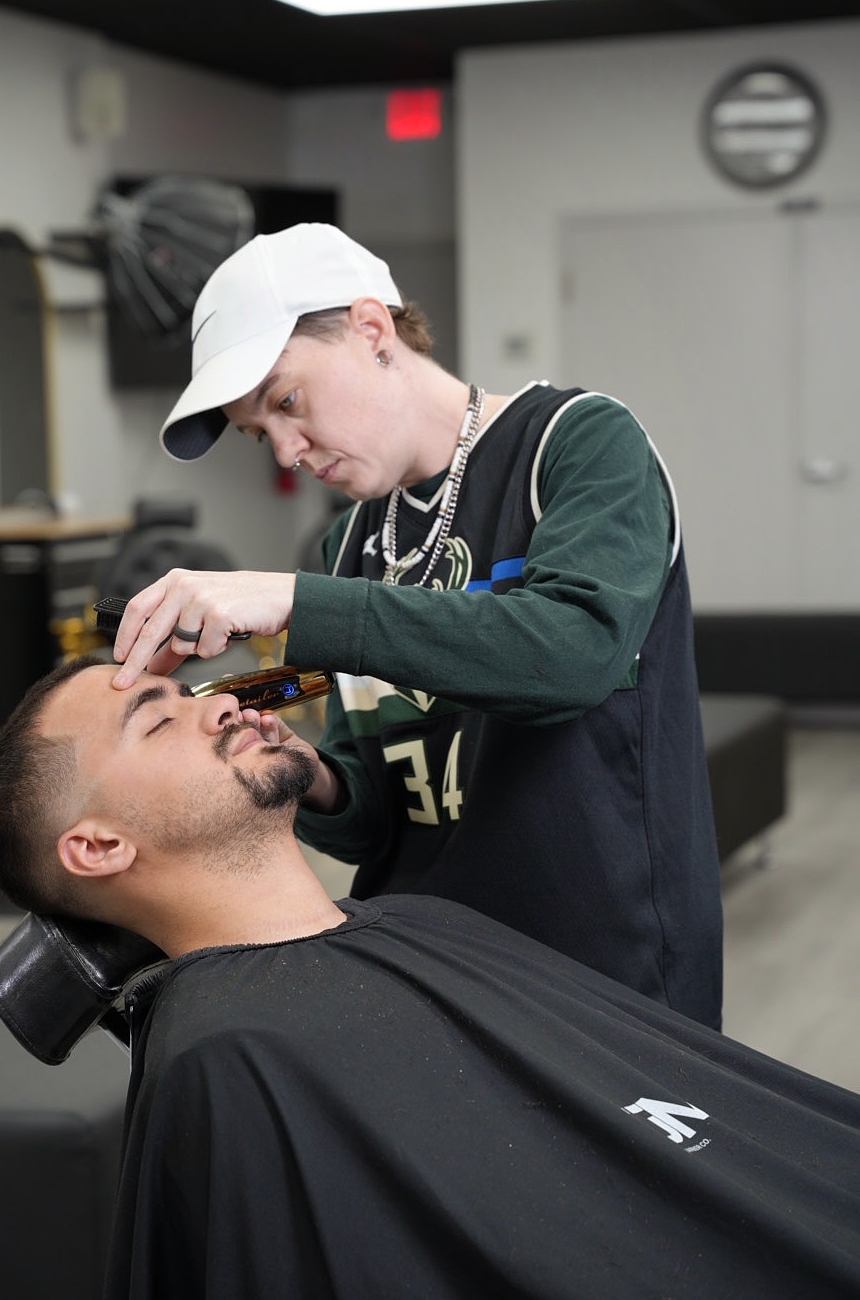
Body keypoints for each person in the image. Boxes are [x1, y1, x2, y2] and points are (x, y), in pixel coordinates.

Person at [0, 656, 860, 1300]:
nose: (223, 705)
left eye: (197, 690)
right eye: (159, 719)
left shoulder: (424, 921)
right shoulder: (231, 1062)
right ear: (97, 846)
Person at [107, 222, 723, 1028]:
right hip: (428, 965)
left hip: (604, 962)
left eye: (288, 402)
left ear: (372, 330)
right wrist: (303, 767)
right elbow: (371, 816)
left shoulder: (577, 445)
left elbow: (573, 652)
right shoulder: (347, 547)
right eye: (262, 433)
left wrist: (298, 602)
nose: (287, 451)